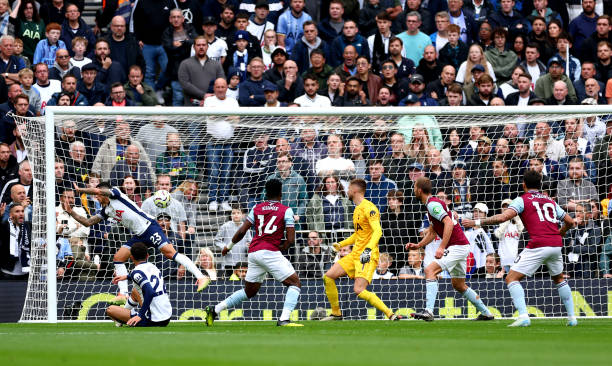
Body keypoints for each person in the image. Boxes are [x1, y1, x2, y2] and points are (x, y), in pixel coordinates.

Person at [463, 170, 578, 327]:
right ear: (540, 185)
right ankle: (572, 318)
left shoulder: (522, 199)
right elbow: (570, 221)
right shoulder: (550, 201)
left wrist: (476, 223)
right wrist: (559, 234)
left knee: (511, 278)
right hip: (556, 244)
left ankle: (523, 316)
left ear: (524, 184)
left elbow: (503, 217)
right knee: (559, 279)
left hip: (538, 244)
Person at [65, 182, 210, 302]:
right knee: (118, 258)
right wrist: (71, 212)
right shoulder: (106, 210)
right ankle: (123, 294)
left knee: (169, 253)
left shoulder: (116, 194)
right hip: (139, 235)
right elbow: (88, 222)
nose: (96, 198)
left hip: (149, 227)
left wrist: (80, 190)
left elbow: (97, 189)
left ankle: (201, 276)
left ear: (102, 192)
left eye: (97, 195)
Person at [204, 179, 303, 327]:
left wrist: (228, 247)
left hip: (254, 252)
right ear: (281, 193)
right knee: (295, 283)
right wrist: (280, 248)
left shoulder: (256, 208)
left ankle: (215, 309)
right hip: (270, 252)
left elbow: (242, 231)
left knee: (249, 291)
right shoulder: (286, 210)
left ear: (266, 193)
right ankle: (283, 319)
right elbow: (290, 239)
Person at [407, 176, 494, 322]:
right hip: (461, 246)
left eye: (415, 187)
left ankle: (428, 311)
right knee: (458, 285)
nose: (413, 190)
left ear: (420, 190)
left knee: (429, 270)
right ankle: (486, 313)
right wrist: (419, 245)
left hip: (457, 246)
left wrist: (441, 247)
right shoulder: (432, 204)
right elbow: (434, 231)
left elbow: (448, 223)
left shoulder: (432, 205)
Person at [321, 178, 402, 321]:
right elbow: (358, 235)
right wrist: (341, 244)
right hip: (355, 253)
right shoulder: (357, 209)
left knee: (358, 290)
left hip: (367, 255)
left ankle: (390, 313)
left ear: (355, 190)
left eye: (349, 188)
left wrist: (368, 249)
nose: (346, 191)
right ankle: (336, 313)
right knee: (328, 276)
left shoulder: (369, 208)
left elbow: (378, 231)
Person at [105, 242, 172, 327]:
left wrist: (140, 315)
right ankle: (124, 317)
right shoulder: (153, 267)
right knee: (135, 291)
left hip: (154, 320)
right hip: (166, 316)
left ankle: (124, 319)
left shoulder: (136, 272)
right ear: (147, 255)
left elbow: (150, 292)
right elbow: (142, 276)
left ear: (131, 257)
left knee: (110, 310)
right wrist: (126, 276)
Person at [178, 36, 225, 106]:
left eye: (203, 45)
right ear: (193, 47)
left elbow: (222, 83)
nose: (201, 47)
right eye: (198, 45)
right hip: (191, 107)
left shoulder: (216, 65)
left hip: (212, 106)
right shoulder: (185, 64)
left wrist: (210, 98)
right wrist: (203, 95)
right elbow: (185, 84)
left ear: (207, 47)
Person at [214, 204, 251, 275]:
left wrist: (248, 246)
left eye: (238, 213)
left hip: (241, 262)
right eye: (233, 213)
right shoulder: (225, 226)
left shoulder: (246, 228)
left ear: (243, 215)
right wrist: (224, 247)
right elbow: (217, 240)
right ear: (231, 216)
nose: (236, 215)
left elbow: (249, 242)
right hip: (228, 261)